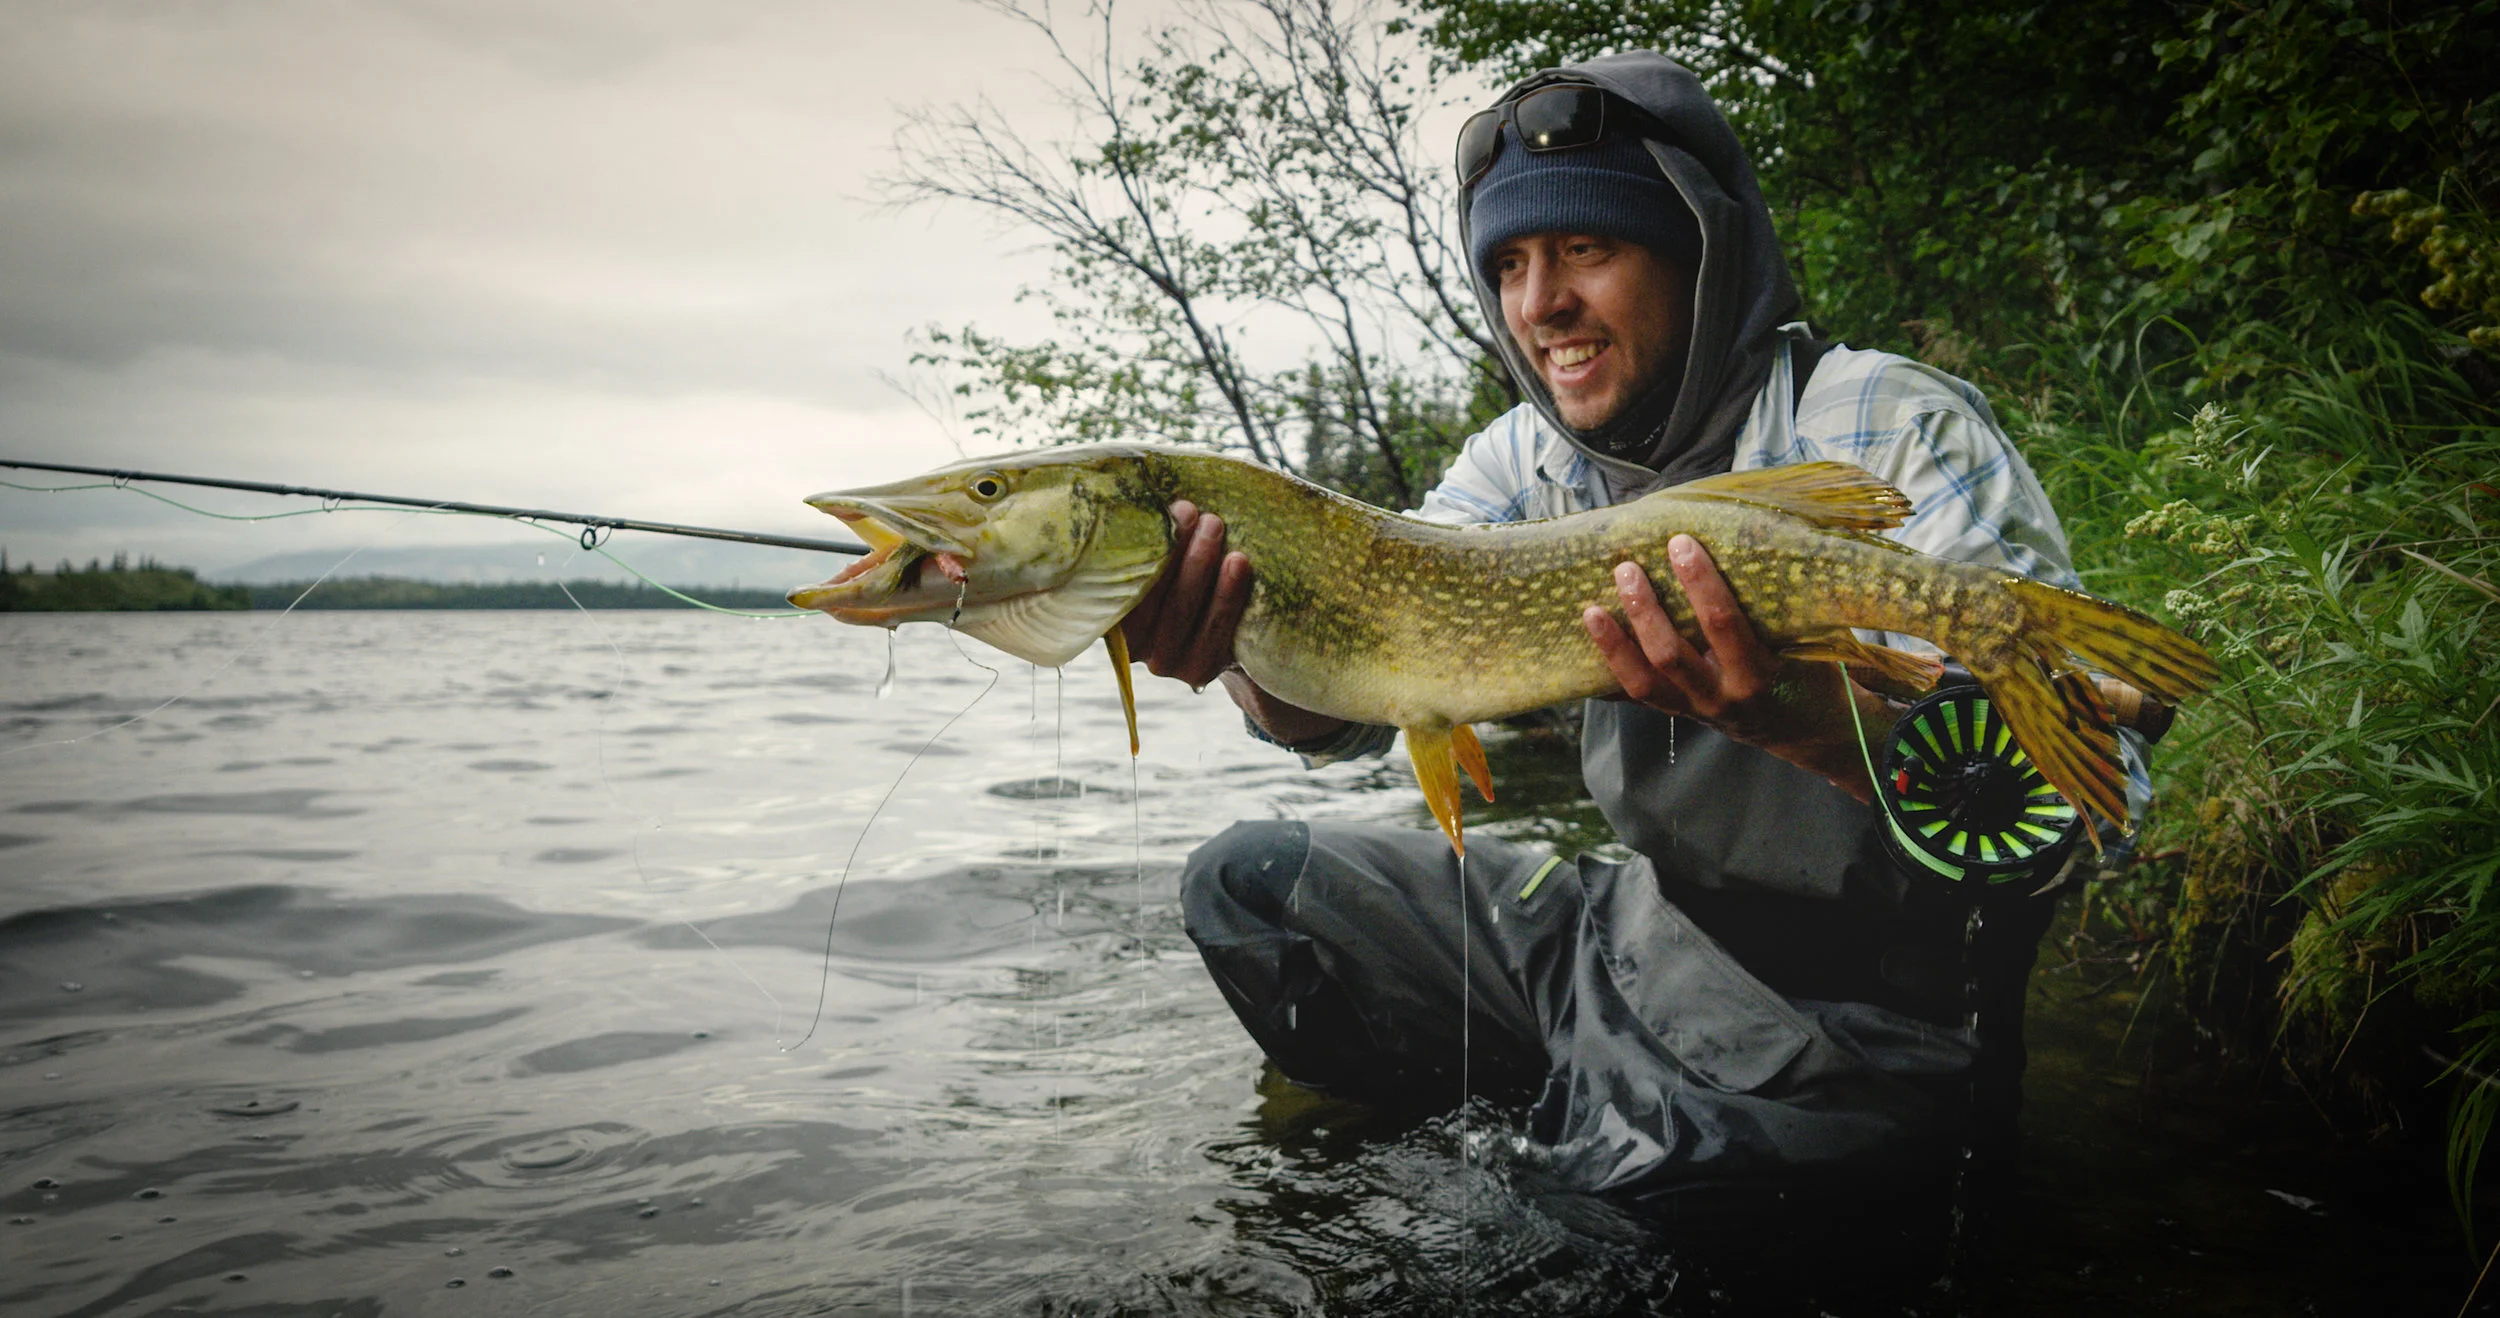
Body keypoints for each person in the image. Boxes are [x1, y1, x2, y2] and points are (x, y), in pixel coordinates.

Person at [1117, 50, 2147, 1195]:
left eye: (1585, 249)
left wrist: (1812, 725)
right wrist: (1244, 649)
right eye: (1507, 263)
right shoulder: (1527, 461)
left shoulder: (1882, 423)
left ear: (1697, 251)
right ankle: (1538, 1116)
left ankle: (1601, 1140)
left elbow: (2079, 828)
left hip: (1860, 1013)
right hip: (1631, 928)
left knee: (1601, 1230)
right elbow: (1371, 685)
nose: (1539, 303)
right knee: (1255, 884)